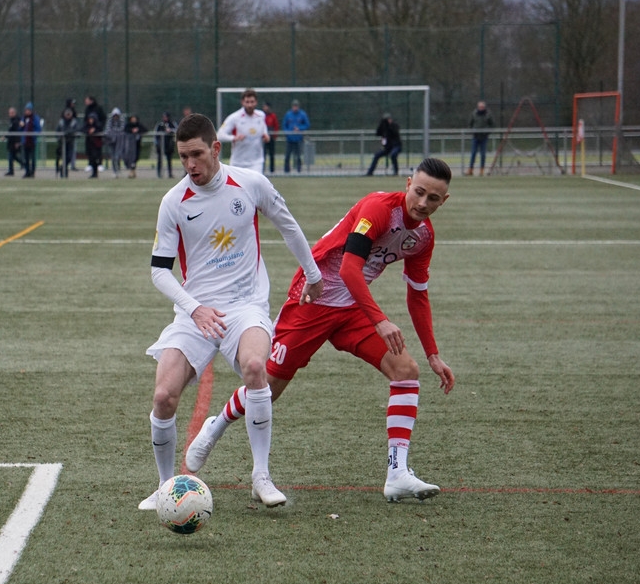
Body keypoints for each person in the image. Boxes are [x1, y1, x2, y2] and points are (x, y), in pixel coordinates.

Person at [186, 157, 456, 504]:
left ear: (443, 201)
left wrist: (432, 354)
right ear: (407, 184)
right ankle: (216, 426)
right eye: (419, 192)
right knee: (267, 389)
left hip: (353, 310)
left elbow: (418, 294)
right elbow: (349, 270)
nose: (423, 203)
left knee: (407, 371)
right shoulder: (377, 209)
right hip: (313, 299)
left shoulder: (422, 237)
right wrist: (380, 319)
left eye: (433, 198)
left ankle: (397, 474)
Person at [139, 113, 324, 511]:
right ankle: (165, 485)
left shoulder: (251, 183)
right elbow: (158, 270)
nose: (190, 165)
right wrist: (195, 309)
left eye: (198, 155)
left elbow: (288, 227)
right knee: (163, 396)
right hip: (195, 313)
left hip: (245, 306)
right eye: (183, 157)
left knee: (257, 369)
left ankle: (261, 477)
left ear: (216, 148)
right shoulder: (173, 202)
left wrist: (312, 274)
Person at [216, 87, 269, 172]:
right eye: (247, 102)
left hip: (256, 162)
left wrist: (266, 136)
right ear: (242, 102)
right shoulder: (234, 117)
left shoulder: (261, 115)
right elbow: (219, 135)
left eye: (252, 102)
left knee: (254, 184)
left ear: (256, 102)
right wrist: (234, 138)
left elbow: (263, 129)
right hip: (238, 163)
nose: (250, 105)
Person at [282, 99, 310, 174]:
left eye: (296, 106)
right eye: (294, 106)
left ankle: (299, 170)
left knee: (298, 156)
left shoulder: (302, 114)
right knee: (287, 155)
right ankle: (286, 170)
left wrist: (300, 128)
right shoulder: (288, 114)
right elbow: (284, 125)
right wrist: (287, 133)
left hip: (298, 138)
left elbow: (307, 125)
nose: (295, 108)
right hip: (290, 139)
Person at [467, 100, 494, 176]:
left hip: (484, 137)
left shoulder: (488, 114)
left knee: (483, 154)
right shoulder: (474, 114)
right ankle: (470, 170)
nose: (481, 108)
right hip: (475, 137)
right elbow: (470, 124)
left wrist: (487, 133)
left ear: (484, 107)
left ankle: (481, 170)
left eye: (482, 107)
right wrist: (472, 132)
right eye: (479, 107)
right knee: (473, 153)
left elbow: (492, 125)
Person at [55, 106, 79, 178]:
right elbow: (57, 131)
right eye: (67, 114)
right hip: (62, 143)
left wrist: (69, 133)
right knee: (63, 157)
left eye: (69, 114)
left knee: (69, 157)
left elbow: (77, 130)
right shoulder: (61, 122)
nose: (68, 116)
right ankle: (64, 173)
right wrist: (59, 138)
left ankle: (62, 168)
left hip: (70, 142)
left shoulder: (74, 122)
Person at [19, 102, 42, 178]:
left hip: (32, 141)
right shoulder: (23, 118)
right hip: (25, 141)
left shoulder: (35, 118)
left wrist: (32, 134)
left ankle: (32, 172)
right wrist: (21, 126)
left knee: (32, 158)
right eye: (26, 110)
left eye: (28, 110)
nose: (27, 111)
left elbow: (38, 129)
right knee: (25, 158)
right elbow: (20, 129)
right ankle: (27, 171)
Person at [153, 111, 177, 178]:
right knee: (159, 160)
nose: (165, 118)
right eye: (164, 117)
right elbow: (156, 134)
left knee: (169, 160)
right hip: (161, 145)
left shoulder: (172, 123)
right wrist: (157, 143)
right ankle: (159, 174)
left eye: (166, 117)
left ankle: (170, 173)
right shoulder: (160, 124)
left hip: (169, 144)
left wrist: (170, 130)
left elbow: (176, 130)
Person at [104, 108, 126, 177]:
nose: (116, 117)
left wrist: (114, 132)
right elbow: (108, 129)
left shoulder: (122, 120)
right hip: (111, 140)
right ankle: (114, 170)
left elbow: (122, 129)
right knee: (113, 156)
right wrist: (113, 133)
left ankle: (118, 168)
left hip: (119, 141)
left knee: (118, 155)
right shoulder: (110, 120)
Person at [83, 107, 104, 178]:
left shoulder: (98, 125)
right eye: (90, 119)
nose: (91, 120)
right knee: (91, 158)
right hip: (89, 144)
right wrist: (88, 131)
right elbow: (82, 129)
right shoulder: (87, 125)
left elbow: (100, 129)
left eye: (92, 119)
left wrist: (94, 131)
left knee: (95, 157)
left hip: (96, 144)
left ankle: (95, 172)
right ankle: (94, 173)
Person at [124, 113, 144, 178]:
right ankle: (131, 172)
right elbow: (125, 130)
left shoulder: (139, 125)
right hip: (130, 146)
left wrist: (138, 130)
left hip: (137, 145)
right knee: (130, 159)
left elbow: (144, 129)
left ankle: (133, 172)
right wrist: (131, 130)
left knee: (135, 159)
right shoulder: (128, 126)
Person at [262, 101, 280, 174]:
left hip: (271, 138)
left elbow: (276, 126)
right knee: (263, 154)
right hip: (263, 139)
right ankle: (262, 169)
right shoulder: (261, 116)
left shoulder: (273, 116)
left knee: (272, 154)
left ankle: (272, 170)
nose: (265, 108)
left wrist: (275, 135)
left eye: (266, 106)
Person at [4, 106, 22, 176]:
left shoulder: (17, 121)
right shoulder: (11, 121)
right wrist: (5, 136)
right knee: (13, 156)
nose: (10, 114)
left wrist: (17, 142)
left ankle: (11, 171)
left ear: (14, 113)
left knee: (11, 156)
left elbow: (17, 132)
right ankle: (23, 164)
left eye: (11, 113)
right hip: (11, 141)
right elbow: (10, 131)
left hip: (14, 142)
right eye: (9, 113)